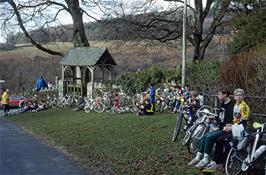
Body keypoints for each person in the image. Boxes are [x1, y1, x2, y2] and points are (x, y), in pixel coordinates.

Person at [188, 88, 234, 170]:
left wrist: (228, 125)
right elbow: (221, 117)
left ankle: (206, 159)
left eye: (219, 94)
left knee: (209, 137)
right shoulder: (223, 103)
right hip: (220, 127)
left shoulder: (231, 105)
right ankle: (198, 157)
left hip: (225, 130)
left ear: (225, 95)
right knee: (205, 136)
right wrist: (214, 118)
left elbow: (229, 120)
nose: (218, 96)